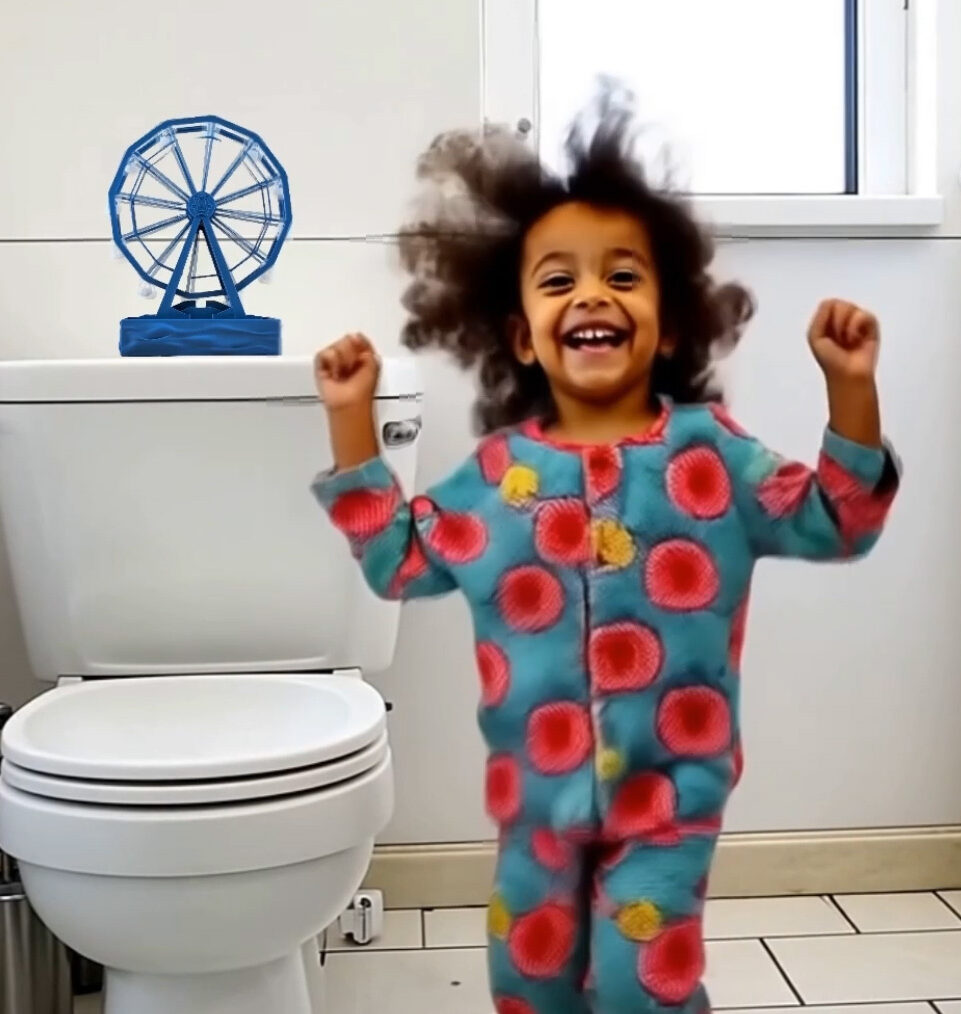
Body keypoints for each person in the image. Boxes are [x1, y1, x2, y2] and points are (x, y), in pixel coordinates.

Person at [310, 89, 900, 1014]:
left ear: (667, 325)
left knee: (641, 989)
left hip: (671, 802)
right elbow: (396, 558)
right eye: (558, 282)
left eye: (623, 277)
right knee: (528, 984)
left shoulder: (713, 457)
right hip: (534, 811)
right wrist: (352, 423)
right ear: (523, 338)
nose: (591, 294)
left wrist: (851, 390)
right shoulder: (499, 478)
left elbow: (840, 516)